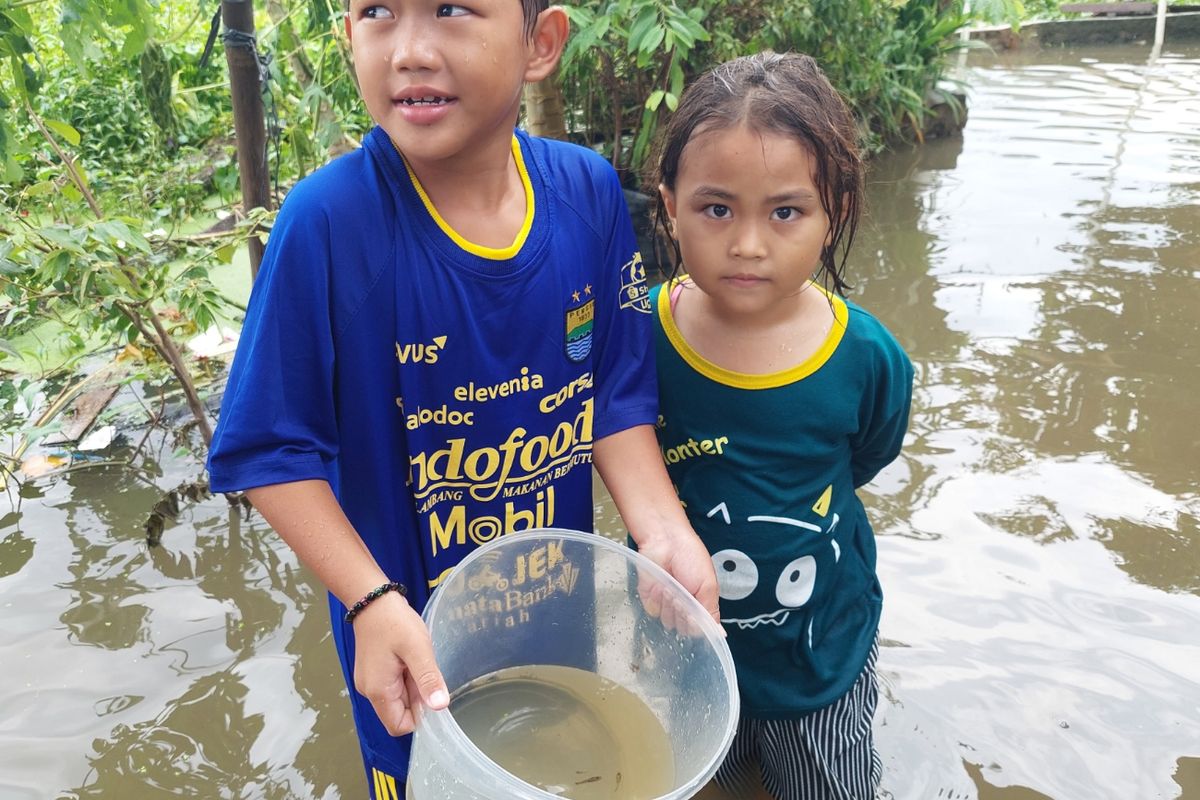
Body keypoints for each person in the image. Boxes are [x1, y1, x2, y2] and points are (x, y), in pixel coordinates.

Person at [206, 1, 719, 795]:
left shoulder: (586, 196)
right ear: (349, 37)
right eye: (376, 12)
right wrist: (370, 599)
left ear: (539, 43)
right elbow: (269, 450)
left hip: (557, 628)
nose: (409, 50)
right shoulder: (329, 223)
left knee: (574, 768)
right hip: (409, 654)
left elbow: (613, 397)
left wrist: (663, 529)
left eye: (450, 9)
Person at [648, 52, 914, 800]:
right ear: (669, 205)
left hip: (818, 656)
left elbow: (867, 452)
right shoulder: (641, 340)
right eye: (716, 208)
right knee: (694, 779)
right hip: (685, 651)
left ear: (837, 215)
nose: (748, 244)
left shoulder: (863, 356)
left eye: (786, 212)